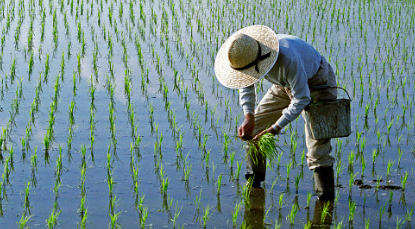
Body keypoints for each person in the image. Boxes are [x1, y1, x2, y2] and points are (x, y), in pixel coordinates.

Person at [214, 25, 336, 201]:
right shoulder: (245, 57)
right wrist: (249, 116)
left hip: (318, 83)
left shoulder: (288, 58)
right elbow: (246, 85)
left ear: (259, 61)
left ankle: (325, 201)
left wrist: (275, 128)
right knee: (254, 132)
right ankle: (254, 184)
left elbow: (301, 99)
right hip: (284, 85)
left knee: (317, 148)